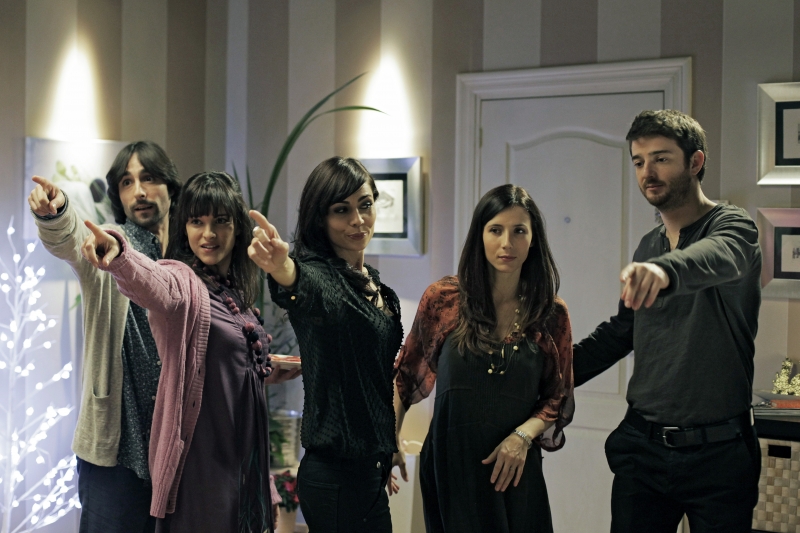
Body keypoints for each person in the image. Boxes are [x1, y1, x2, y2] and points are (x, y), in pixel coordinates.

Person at [572, 110, 762, 533]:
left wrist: (665, 270)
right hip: (643, 451)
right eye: (639, 162)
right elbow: (622, 332)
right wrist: (551, 372)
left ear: (695, 162)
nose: (648, 172)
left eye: (661, 158)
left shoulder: (734, 227)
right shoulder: (649, 244)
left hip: (720, 455)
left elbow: (719, 256)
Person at [80, 171, 296, 532]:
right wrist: (119, 254)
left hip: (243, 467)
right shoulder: (183, 283)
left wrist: (270, 369)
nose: (208, 234)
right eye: (197, 221)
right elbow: (152, 282)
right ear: (184, 228)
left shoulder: (235, 296)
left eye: (221, 221)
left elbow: (233, 371)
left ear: (237, 228)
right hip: (202, 472)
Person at [393, 184, 574, 533]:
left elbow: (558, 396)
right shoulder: (443, 299)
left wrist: (522, 437)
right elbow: (405, 376)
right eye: (495, 230)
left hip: (514, 468)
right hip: (451, 469)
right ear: (480, 235)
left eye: (519, 231)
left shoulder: (551, 314)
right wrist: (391, 439)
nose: (507, 242)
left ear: (533, 239)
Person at [28, 141, 181, 533]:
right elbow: (71, 239)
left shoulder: (188, 256)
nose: (139, 191)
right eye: (127, 182)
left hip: (177, 450)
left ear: (170, 186)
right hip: (115, 451)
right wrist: (56, 212)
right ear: (118, 195)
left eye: (149, 178)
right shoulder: (110, 246)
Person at [247, 156, 403, 533]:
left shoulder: (378, 288)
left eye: (365, 205)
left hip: (368, 471)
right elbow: (305, 285)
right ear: (321, 218)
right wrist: (282, 268)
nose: (358, 220)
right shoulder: (321, 278)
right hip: (335, 477)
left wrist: (387, 445)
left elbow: (375, 381)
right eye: (341, 210)